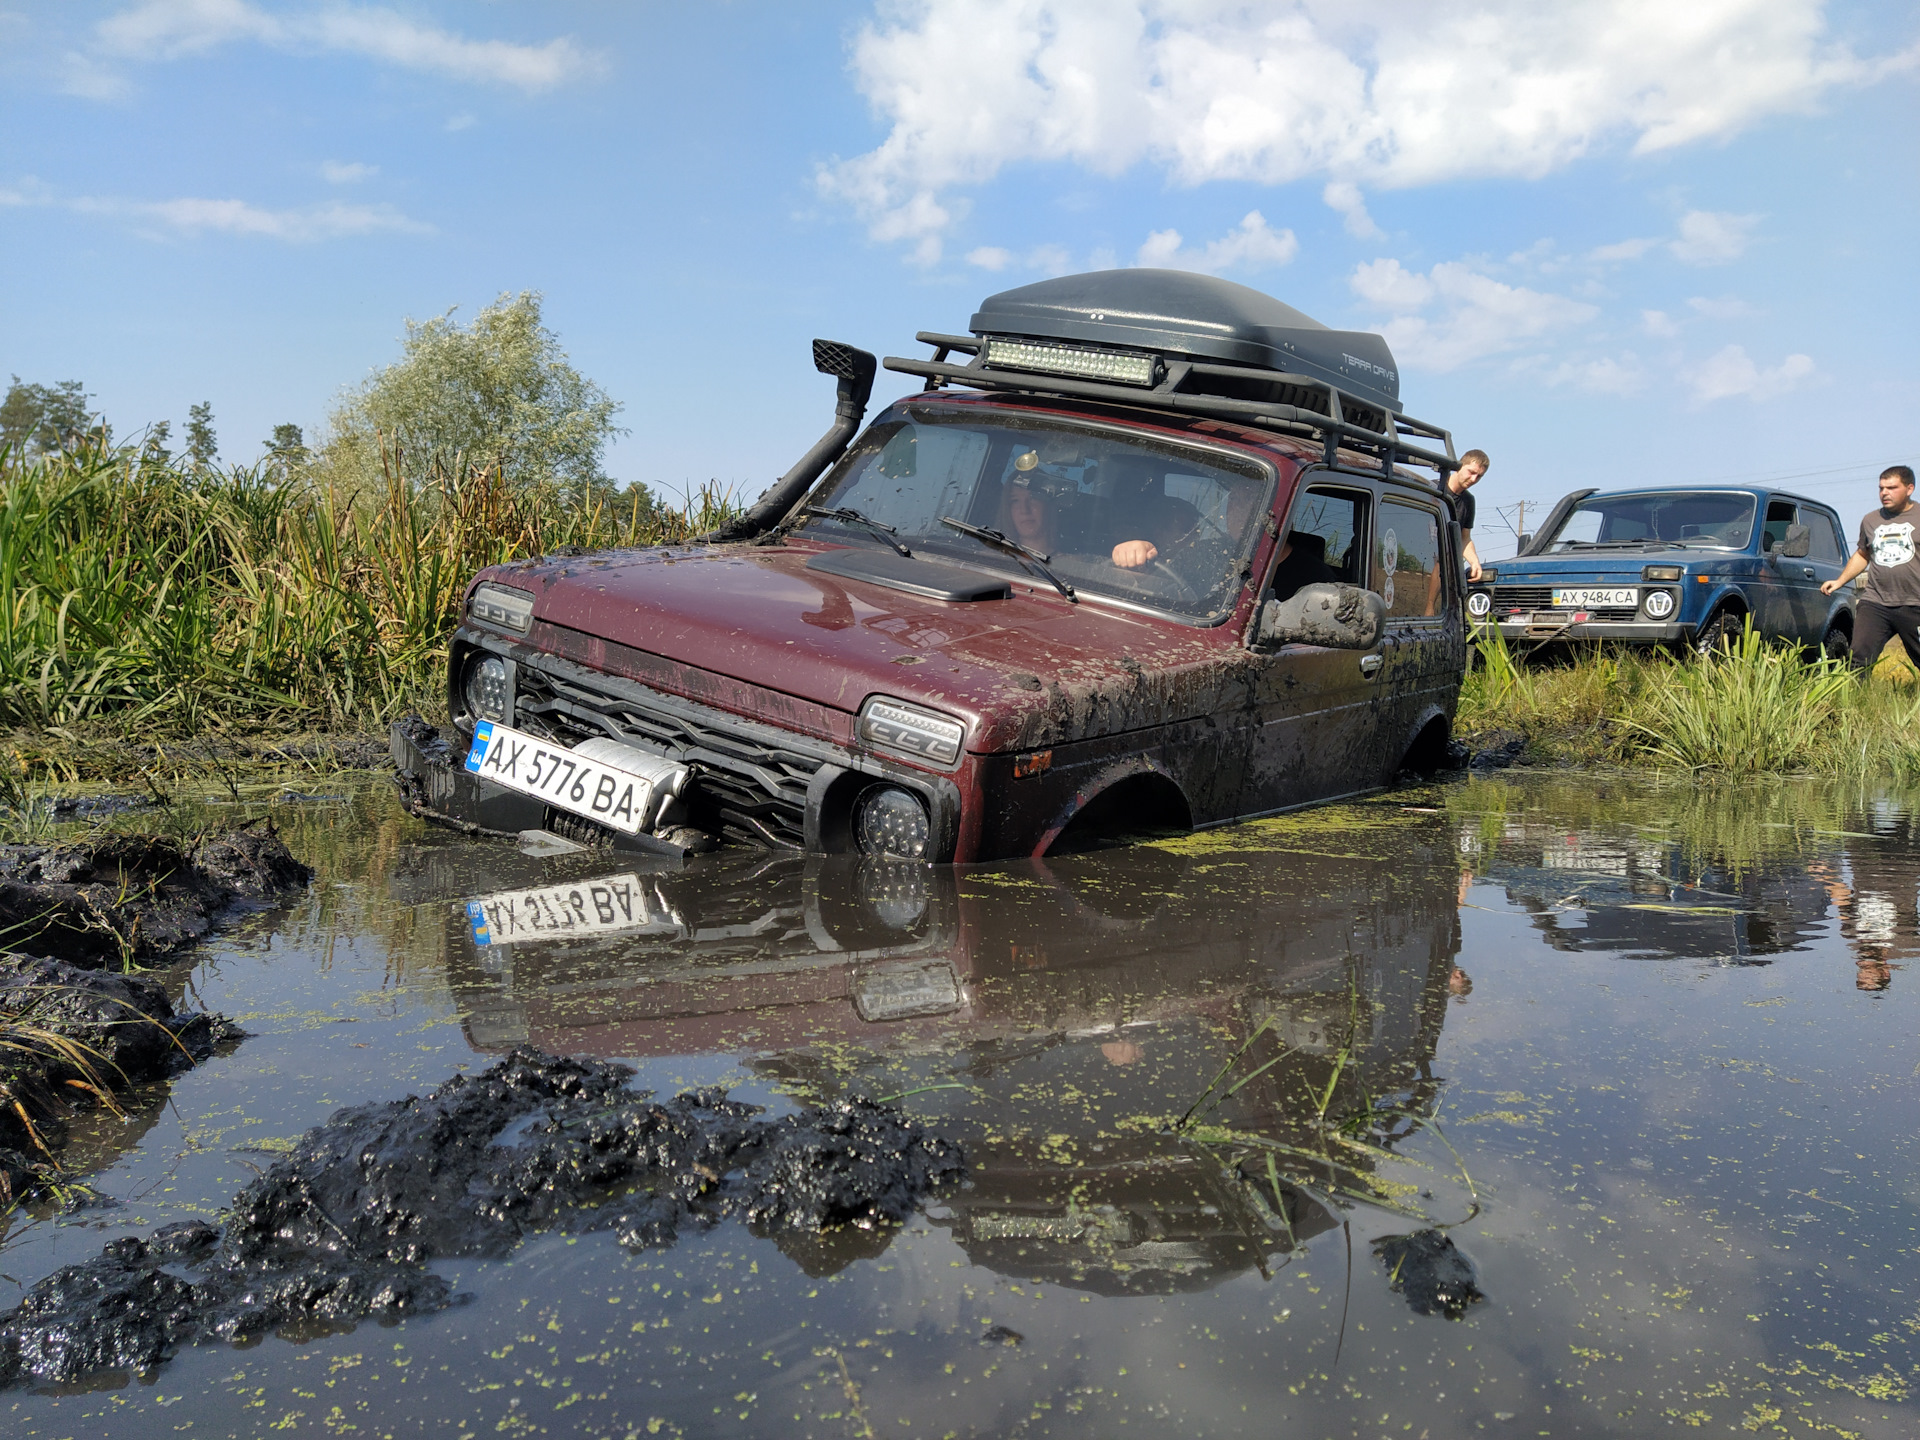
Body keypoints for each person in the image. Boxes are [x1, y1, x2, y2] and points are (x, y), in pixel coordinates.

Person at [1821, 465, 1920, 673]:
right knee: (1858, 658)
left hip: (1915, 602)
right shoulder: (1871, 520)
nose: (1884, 493)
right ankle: (1854, 704)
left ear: (1909, 488)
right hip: (1876, 602)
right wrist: (1840, 581)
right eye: (1881, 488)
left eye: (1891, 487)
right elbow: (1862, 554)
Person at [1445, 449, 1489, 582]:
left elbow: (1464, 538)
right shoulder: (1434, 489)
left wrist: (1475, 562)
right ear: (1459, 466)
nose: (1474, 479)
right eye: (1471, 472)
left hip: (1446, 571)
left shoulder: (1469, 501)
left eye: (1479, 476)